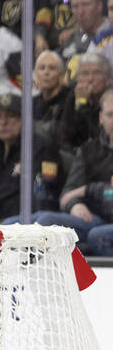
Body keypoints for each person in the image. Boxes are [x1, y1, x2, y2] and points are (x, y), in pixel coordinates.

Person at [0, 92, 61, 222]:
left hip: (25, 224)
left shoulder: (42, 149)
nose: (3, 122)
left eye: (11, 116)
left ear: (24, 119)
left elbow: (40, 198)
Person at [34, 88, 113, 247]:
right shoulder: (87, 150)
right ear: (101, 118)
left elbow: (109, 196)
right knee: (18, 222)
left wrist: (89, 190)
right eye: (110, 115)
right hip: (89, 216)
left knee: (48, 222)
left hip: (104, 221)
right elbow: (67, 194)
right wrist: (75, 204)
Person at [55, 52, 111, 152]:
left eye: (97, 73)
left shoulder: (111, 100)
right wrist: (80, 102)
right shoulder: (72, 95)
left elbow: (98, 136)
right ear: (78, 79)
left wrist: (83, 106)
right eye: (85, 73)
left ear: (107, 79)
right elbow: (63, 136)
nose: (90, 79)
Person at [57, 0, 113, 66]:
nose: (80, 12)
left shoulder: (108, 37)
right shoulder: (69, 37)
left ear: (99, 6)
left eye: (85, 4)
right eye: (75, 6)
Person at [32, 49, 70, 139]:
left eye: (52, 68)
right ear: (36, 75)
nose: (46, 72)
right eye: (42, 68)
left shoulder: (69, 100)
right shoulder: (31, 103)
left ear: (61, 75)